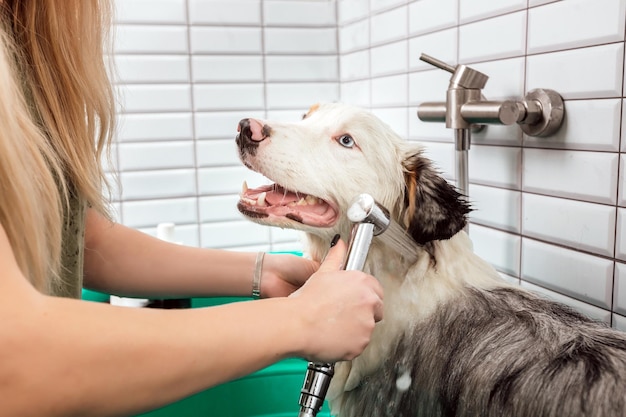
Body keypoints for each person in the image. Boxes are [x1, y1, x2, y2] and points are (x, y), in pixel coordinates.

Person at [0, 1, 384, 416]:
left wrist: (264, 272)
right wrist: (303, 321)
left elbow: (78, 239)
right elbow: (13, 359)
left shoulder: (21, 61)